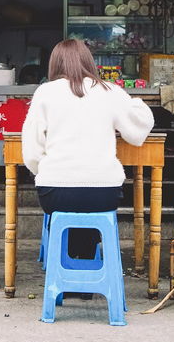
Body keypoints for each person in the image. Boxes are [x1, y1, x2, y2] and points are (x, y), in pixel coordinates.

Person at [21, 38, 154, 260]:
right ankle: (87, 266)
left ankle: (67, 266)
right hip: (103, 192)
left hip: (55, 191)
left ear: (54, 64)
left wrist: (44, 170)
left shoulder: (45, 92)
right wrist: (137, 102)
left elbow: (32, 151)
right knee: (91, 211)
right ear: (89, 61)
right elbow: (137, 131)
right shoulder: (109, 90)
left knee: (64, 212)